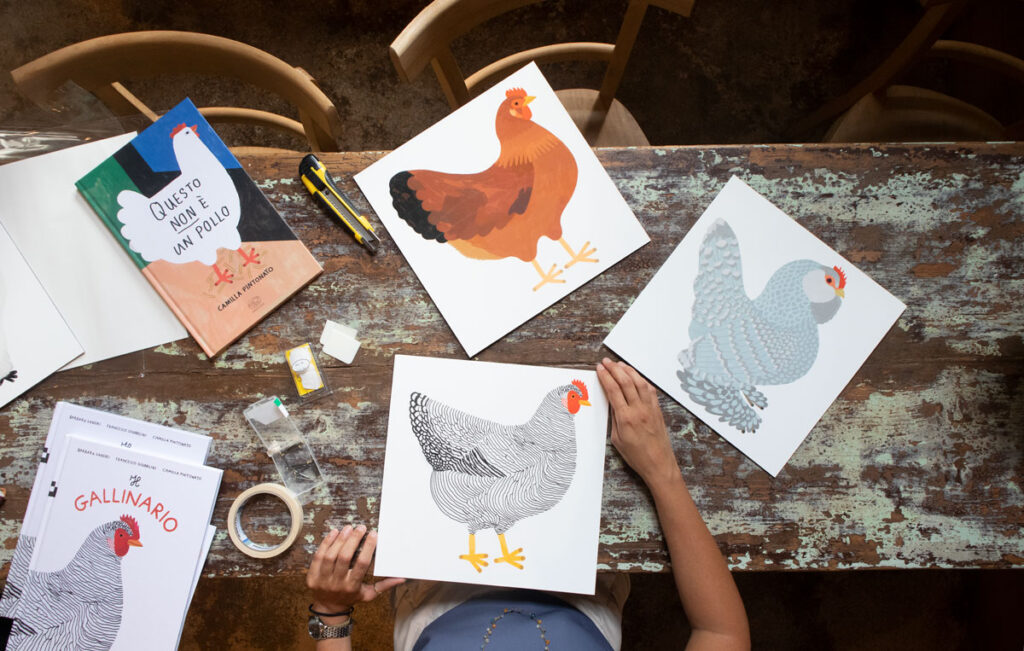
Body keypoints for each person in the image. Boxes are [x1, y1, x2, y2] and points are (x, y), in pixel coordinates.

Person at [305, 359, 750, 650]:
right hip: (582, 588)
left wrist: (332, 613)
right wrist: (662, 470)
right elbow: (722, 633)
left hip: (435, 587)